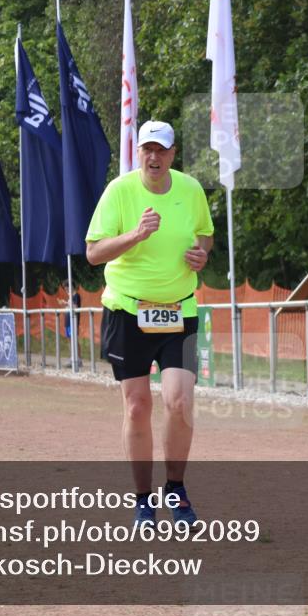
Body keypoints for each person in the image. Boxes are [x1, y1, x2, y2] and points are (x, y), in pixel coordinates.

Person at [85, 120, 213, 527]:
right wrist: (135, 236)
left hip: (181, 310)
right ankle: (143, 500)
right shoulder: (119, 192)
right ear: (137, 152)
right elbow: (92, 253)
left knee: (179, 401)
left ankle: (176, 488)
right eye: (147, 149)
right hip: (128, 312)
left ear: (174, 154)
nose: (154, 157)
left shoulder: (191, 190)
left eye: (161, 150)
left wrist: (201, 254)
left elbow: (205, 235)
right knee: (138, 406)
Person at [60, 280, 83, 369]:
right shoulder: (70, 297)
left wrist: (66, 303)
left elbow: (75, 307)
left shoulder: (76, 296)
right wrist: (65, 304)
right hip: (68, 321)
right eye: (65, 289)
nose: (66, 290)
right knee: (70, 340)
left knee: (74, 340)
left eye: (67, 288)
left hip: (73, 321)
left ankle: (79, 359)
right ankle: (72, 357)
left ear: (71, 287)